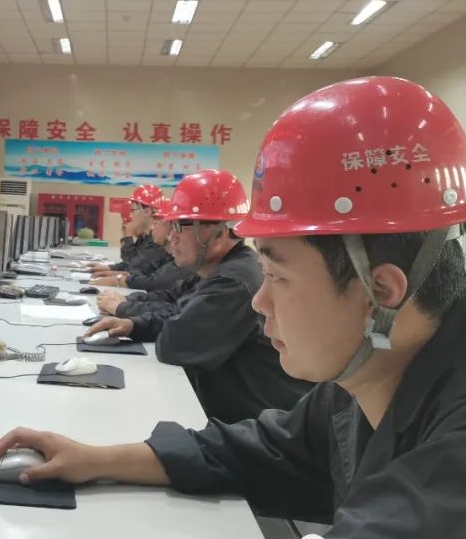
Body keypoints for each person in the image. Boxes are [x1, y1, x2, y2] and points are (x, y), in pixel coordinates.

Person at [0, 76, 466, 539]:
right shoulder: (374, 371)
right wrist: (95, 459)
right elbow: (266, 448)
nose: (259, 301)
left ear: (381, 291)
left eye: (277, 275)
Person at [84, 169, 313, 423]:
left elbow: (175, 343)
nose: (172, 237)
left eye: (180, 226)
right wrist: (134, 324)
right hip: (220, 412)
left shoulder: (233, 281)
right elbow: (175, 304)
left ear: (218, 233)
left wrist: (129, 311)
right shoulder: (214, 269)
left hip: (251, 424)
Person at [90, 196, 194, 294]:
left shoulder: (160, 247)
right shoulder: (149, 240)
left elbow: (146, 276)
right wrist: (116, 273)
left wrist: (119, 281)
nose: (130, 217)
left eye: (132, 210)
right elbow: (138, 269)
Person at [86, 185, 171, 281]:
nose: (131, 216)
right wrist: (108, 268)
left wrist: (128, 236)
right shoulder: (145, 238)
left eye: (132, 210)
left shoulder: (157, 240)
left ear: (147, 211)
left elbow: (134, 268)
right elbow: (131, 263)